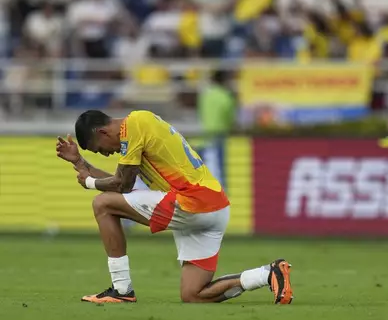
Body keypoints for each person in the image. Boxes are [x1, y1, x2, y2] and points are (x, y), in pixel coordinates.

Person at [55, 110, 294, 304]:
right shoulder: (139, 131)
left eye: (100, 148)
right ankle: (268, 274)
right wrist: (79, 162)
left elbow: (121, 184)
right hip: (214, 206)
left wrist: (89, 182)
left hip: (193, 200)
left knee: (102, 204)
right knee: (193, 294)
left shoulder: (134, 124)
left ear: (103, 131)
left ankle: (121, 290)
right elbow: (121, 185)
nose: (106, 153)